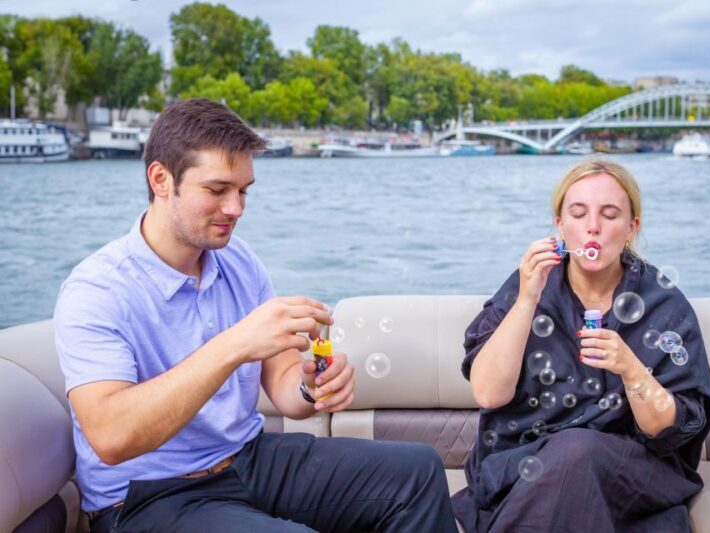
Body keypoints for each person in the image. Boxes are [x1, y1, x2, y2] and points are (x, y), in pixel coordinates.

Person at [54, 98, 457, 532]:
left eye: (243, 190)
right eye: (217, 190)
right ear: (161, 179)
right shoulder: (97, 290)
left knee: (416, 470)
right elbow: (112, 439)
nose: (236, 209)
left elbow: (284, 386)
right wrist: (233, 345)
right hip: (143, 497)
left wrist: (309, 387)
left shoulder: (238, 260)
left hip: (245, 460)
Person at [450, 158, 710, 532]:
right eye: (578, 213)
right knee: (569, 458)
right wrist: (528, 299)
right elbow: (488, 393)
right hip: (524, 463)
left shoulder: (662, 303)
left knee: (577, 451)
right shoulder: (528, 285)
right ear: (560, 225)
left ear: (631, 227)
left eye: (610, 214)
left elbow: (668, 431)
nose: (592, 227)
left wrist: (631, 369)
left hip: (628, 473)